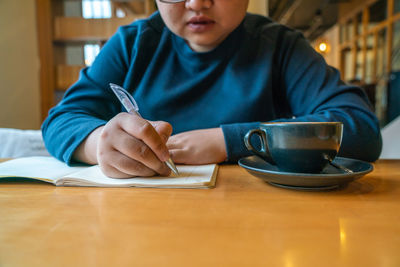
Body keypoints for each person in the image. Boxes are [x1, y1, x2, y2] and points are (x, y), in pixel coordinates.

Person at [42, 0, 382, 178]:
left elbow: (358, 127)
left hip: (259, 217)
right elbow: (62, 119)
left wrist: (228, 141)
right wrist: (100, 143)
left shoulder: (279, 46)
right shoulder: (132, 44)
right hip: (140, 217)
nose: (197, 3)